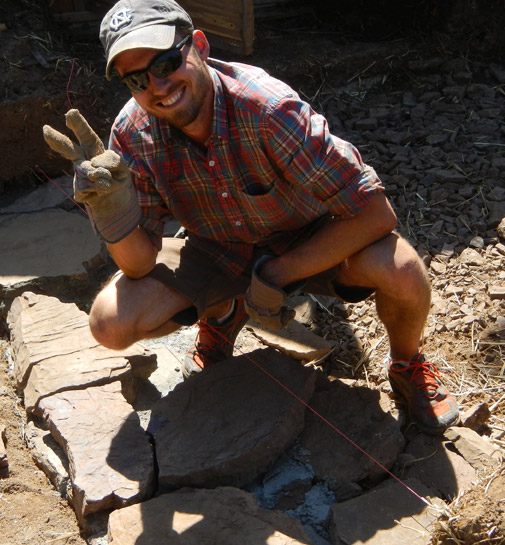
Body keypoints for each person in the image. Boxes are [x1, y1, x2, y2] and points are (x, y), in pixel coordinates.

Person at [42, 0, 460, 434]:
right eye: (136, 78)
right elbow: (138, 266)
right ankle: (222, 316)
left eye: (167, 62)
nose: (158, 86)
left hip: (308, 238)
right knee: (109, 324)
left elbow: (375, 212)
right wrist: (112, 212)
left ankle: (407, 365)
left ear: (199, 47)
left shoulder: (268, 110)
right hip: (215, 247)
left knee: (404, 269)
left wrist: (277, 273)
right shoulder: (130, 134)